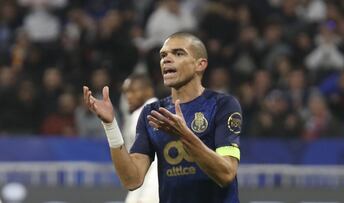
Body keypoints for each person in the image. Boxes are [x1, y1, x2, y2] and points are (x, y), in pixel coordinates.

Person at [83, 32, 242, 202]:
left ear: (200, 64)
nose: (167, 59)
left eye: (178, 53)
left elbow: (226, 174)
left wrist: (184, 135)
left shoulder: (223, 105)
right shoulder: (152, 112)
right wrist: (110, 125)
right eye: (163, 55)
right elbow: (132, 180)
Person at [121, 73, 159, 203]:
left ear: (148, 90)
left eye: (133, 91)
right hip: (145, 175)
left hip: (153, 176)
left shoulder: (149, 112)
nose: (128, 96)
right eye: (126, 92)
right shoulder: (142, 112)